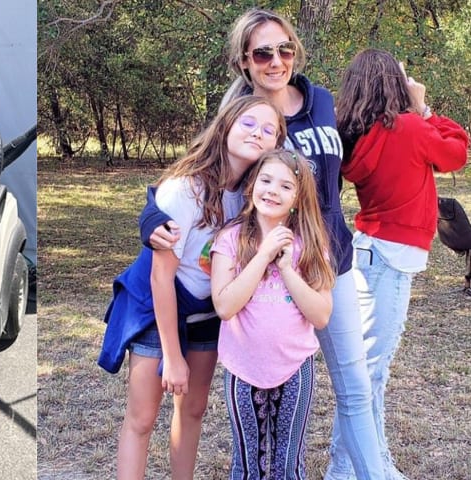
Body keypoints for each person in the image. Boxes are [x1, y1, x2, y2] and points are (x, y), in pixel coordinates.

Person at [138, 8, 386, 479]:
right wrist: (151, 214)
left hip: (325, 259)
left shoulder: (323, 103)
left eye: (285, 48)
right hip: (257, 273)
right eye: (263, 53)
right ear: (244, 62)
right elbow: (200, 171)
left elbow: (338, 177)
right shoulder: (246, 117)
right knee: (257, 409)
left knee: (354, 385)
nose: (276, 60)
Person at [98, 95, 286, 480]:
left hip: (207, 311)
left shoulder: (256, 195)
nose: (257, 133)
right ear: (227, 124)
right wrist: (173, 355)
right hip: (157, 307)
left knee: (193, 409)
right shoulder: (185, 189)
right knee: (142, 416)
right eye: (249, 123)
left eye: (269, 130)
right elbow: (160, 277)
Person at [334, 49, 469, 479]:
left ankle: (355, 466)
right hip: (389, 259)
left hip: (370, 251)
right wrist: (423, 107)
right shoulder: (409, 127)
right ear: (395, 82)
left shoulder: (356, 134)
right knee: (370, 375)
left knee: (366, 371)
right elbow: (456, 152)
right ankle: (352, 469)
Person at [211, 148, 335, 479]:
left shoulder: (309, 243)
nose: (272, 191)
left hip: (295, 368)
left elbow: (321, 316)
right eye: (266, 180)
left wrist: (286, 268)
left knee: (288, 462)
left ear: (298, 197)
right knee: (249, 463)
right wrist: (263, 255)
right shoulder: (230, 239)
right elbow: (224, 306)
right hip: (243, 369)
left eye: (285, 186)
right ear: (251, 186)